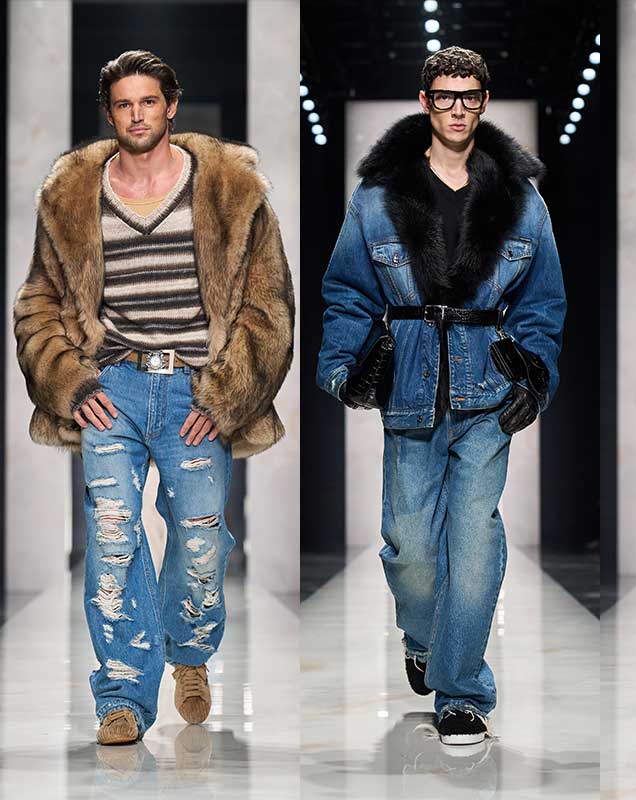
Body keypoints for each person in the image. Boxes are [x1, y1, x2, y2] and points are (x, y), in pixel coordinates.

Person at [13, 50, 294, 745]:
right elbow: (38, 303)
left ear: (171, 105)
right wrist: (69, 382)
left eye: (148, 101)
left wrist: (226, 396)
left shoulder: (231, 190)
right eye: (123, 104)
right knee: (112, 539)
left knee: (201, 539)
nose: (136, 115)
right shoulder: (71, 196)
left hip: (198, 392)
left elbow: (268, 307)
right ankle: (121, 695)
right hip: (112, 388)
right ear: (109, 114)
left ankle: (189, 654)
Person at [316, 46, 566, 746]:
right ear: (425, 101)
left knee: (475, 541)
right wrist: (343, 368)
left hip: (488, 388)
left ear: (484, 101)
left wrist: (534, 373)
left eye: (470, 95)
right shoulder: (376, 198)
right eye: (446, 95)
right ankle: (424, 640)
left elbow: (544, 301)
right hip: (411, 387)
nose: (458, 108)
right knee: (409, 549)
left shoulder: (522, 200)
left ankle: (462, 692)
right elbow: (346, 292)